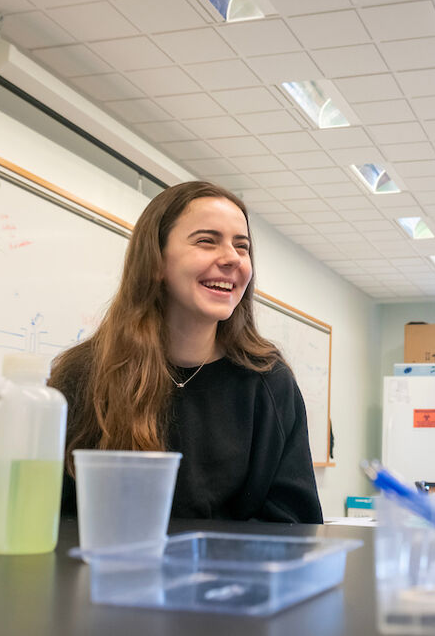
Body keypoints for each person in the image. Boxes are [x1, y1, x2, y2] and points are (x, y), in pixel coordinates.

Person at [50, 181, 323, 524]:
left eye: (242, 247)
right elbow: (53, 517)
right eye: (207, 241)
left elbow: (295, 526)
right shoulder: (82, 374)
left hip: (231, 578)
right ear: (156, 262)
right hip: (110, 574)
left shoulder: (269, 382)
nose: (232, 259)